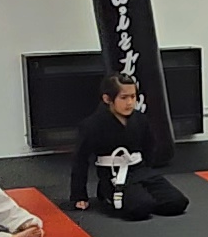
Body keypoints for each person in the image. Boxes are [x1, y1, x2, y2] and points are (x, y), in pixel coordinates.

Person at [70, 73, 189, 221]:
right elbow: (80, 160)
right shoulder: (92, 125)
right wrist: (79, 195)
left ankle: (139, 197)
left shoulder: (140, 119)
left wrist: (147, 169)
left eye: (133, 97)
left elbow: (149, 147)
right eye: (124, 97)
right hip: (113, 175)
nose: (130, 102)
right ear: (107, 99)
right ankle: (107, 193)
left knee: (177, 202)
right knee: (140, 208)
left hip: (140, 170)